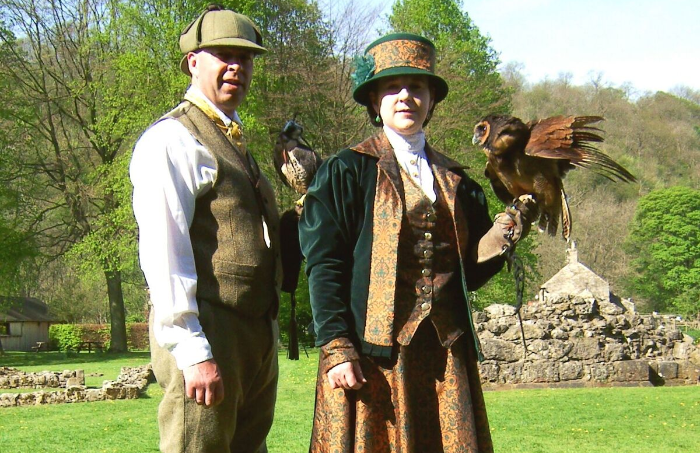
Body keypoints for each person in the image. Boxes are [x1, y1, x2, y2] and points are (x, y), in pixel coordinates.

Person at [299, 33, 536, 453]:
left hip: (445, 356)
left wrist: (509, 231)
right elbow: (324, 262)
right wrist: (336, 345)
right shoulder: (346, 171)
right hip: (373, 356)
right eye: (392, 87)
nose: (405, 95)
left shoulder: (459, 182)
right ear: (374, 101)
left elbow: (472, 272)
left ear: (431, 100)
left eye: (417, 86)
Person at [130, 5, 281, 453]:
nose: (236, 66)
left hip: (253, 333)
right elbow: (164, 248)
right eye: (222, 54)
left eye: (246, 57)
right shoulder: (171, 139)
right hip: (208, 333)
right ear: (193, 62)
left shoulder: (235, 140)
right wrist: (192, 348)